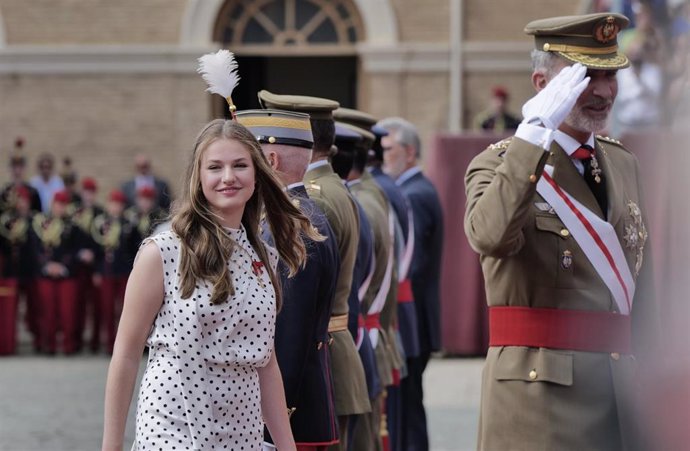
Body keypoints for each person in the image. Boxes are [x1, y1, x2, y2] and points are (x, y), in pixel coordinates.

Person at [464, 13, 659, 451]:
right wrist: (531, 138)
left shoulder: (623, 162)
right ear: (542, 84)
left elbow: (641, 285)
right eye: (586, 76)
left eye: (610, 75)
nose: (604, 91)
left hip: (621, 393)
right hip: (541, 398)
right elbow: (489, 237)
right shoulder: (498, 165)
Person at [102, 119, 320, 451]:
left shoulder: (265, 259)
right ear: (199, 177)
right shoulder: (163, 252)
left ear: (257, 174)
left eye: (240, 165)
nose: (228, 177)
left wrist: (287, 446)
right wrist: (111, 446)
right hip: (174, 425)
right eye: (215, 167)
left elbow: (266, 361)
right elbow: (126, 353)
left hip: (242, 430)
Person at [257, 90, 370, 451]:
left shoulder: (301, 212)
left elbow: (292, 325)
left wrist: (274, 414)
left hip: (308, 372)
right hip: (326, 356)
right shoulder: (324, 196)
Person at [236, 109, 341, 450]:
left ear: (271, 158)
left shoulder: (291, 227)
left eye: (245, 161)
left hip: (292, 416)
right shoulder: (296, 217)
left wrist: (276, 419)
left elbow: (290, 332)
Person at [378, 116, 443, 451]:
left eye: (387, 149)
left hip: (409, 320)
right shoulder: (412, 190)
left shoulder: (413, 195)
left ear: (410, 151)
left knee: (404, 419)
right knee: (407, 412)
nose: (379, 154)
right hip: (414, 318)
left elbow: (407, 266)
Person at [91, 189, 140, 354]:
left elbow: (137, 249)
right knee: (107, 309)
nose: (115, 207)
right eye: (113, 203)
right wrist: (96, 271)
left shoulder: (129, 225)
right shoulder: (100, 224)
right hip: (106, 272)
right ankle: (109, 344)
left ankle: (124, 345)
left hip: (124, 272)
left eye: (118, 204)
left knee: (125, 310)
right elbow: (96, 251)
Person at [1, 137, 42, 213]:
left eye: (20, 167)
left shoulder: (33, 192)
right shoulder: (5, 192)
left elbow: (39, 217)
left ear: (25, 168)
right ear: (10, 168)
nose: (17, 171)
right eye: (14, 167)